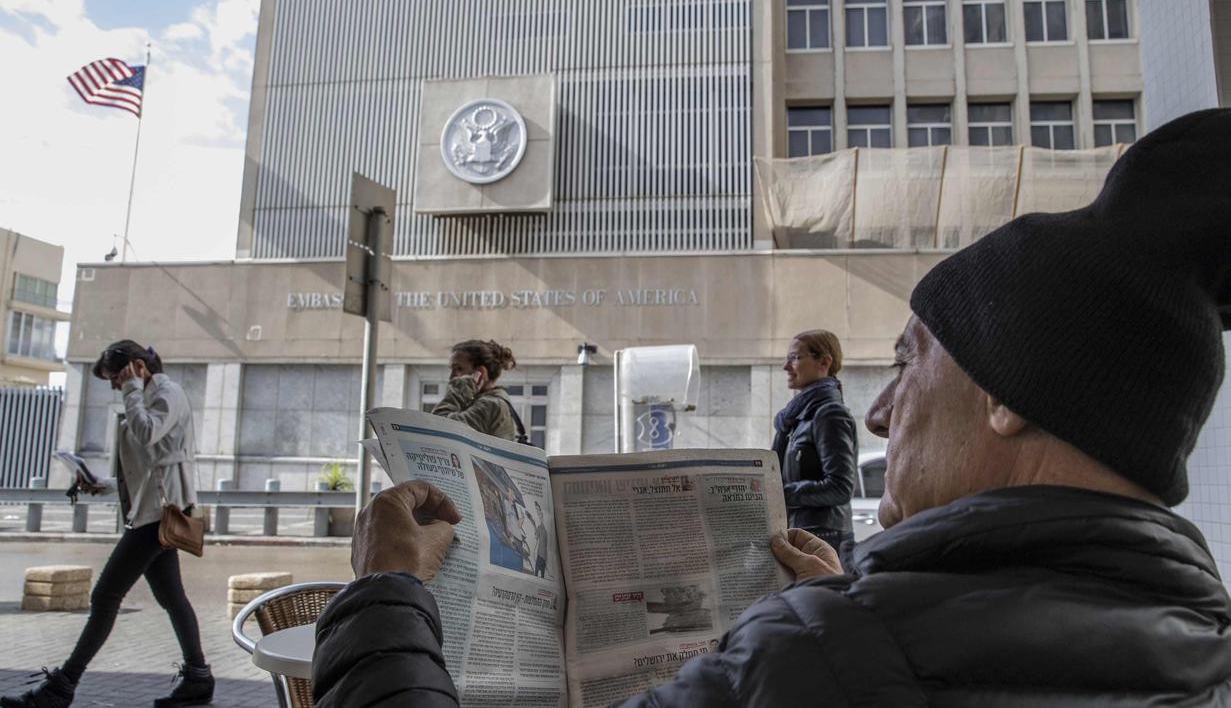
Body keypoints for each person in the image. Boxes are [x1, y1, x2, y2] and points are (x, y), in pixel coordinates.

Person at [309, 109, 1231, 706]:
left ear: (1004, 396)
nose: (883, 413)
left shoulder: (812, 657)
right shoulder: (1197, 643)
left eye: (907, 363)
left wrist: (386, 592)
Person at [2, 341, 213, 708]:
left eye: (116, 376)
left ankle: (61, 688)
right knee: (171, 597)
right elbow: (150, 467)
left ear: (137, 366)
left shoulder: (166, 393)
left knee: (105, 597)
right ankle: (199, 678)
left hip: (158, 516)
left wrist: (132, 389)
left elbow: (148, 434)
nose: (115, 385)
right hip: (152, 511)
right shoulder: (144, 396)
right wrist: (102, 483)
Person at [773, 329, 858, 552]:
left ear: (824, 362)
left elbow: (840, 487)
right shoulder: (796, 416)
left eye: (795, 358)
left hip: (823, 537)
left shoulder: (829, 414)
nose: (786, 366)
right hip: (805, 532)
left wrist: (779, 493)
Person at [431, 339, 519, 441]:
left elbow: (436, 427)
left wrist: (459, 391)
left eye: (459, 369)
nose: (451, 377)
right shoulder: (481, 401)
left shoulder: (490, 404)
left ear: (480, 373)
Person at [533, 501, 549, 578]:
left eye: (538, 510)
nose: (538, 514)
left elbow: (546, 544)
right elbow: (536, 537)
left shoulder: (544, 528)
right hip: (541, 552)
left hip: (543, 553)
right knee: (538, 571)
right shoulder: (539, 528)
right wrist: (533, 525)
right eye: (537, 511)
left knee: (540, 571)